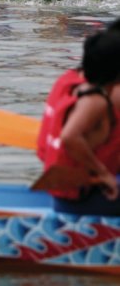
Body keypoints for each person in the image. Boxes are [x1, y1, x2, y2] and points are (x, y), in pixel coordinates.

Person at [36, 20, 120, 216]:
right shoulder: (98, 100)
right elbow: (69, 137)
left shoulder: (71, 79)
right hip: (84, 197)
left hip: (64, 188)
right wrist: (104, 174)